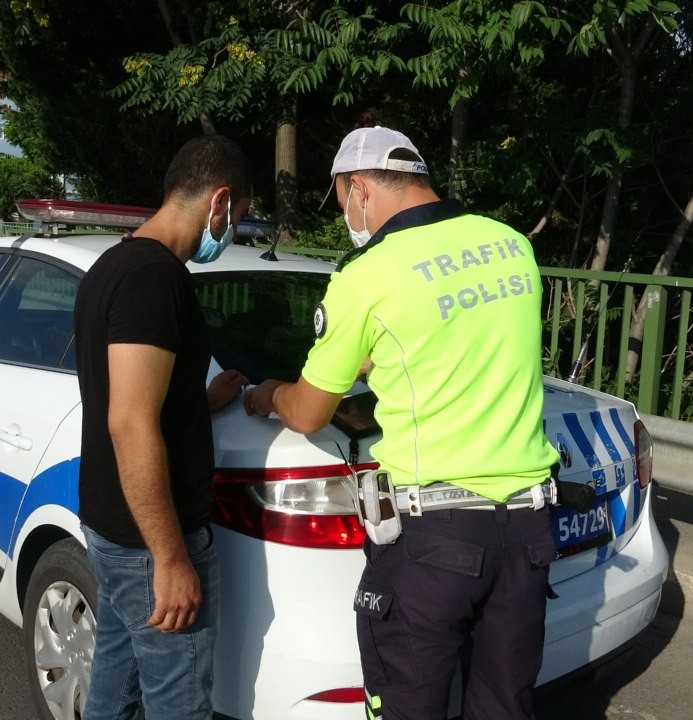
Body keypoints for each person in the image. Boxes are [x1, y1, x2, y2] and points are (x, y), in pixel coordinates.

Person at [243, 126, 561, 719]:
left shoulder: (367, 274)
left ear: (359, 187)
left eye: (341, 201)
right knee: (504, 707)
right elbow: (464, 338)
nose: (347, 216)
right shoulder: (511, 244)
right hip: (528, 533)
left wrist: (269, 394)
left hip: (434, 541)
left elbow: (310, 411)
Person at [74, 134, 252, 720]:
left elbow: (134, 397)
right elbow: (129, 421)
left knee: (115, 690)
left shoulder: (113, 265)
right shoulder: (157, 279)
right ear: (219, 202)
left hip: (112, 527)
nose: (231, 235)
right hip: (151, 541)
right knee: (177, 705)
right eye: (238, 219)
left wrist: (202, 402)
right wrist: (171, 559)